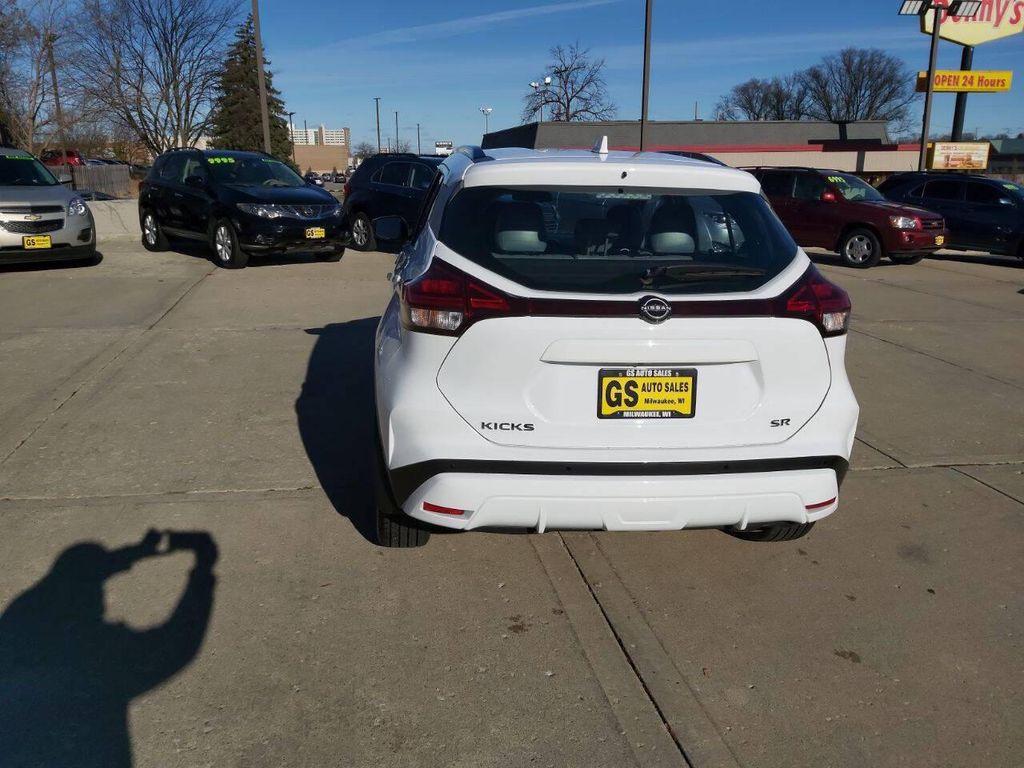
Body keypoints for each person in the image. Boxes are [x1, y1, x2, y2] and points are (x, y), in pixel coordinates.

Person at [0, 529, 218, 768]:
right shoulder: (93, 650)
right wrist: (203, 569)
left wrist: (138, 552)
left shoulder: (21, 618)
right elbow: (178, 644)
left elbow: (77, 577)